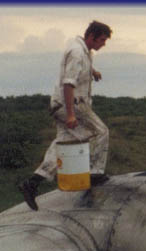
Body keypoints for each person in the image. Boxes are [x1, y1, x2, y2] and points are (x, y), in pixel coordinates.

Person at [19, 21, 112, 211]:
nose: (104, 44)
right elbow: (68, 84)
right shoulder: (78, 53)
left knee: (63, 142)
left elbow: (76, 69)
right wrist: (70, 115)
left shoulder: (82, 50)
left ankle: (33, 182)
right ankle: (94, 173)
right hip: (70, 104)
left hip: (59, 104)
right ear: (92, 36)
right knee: (100, 132)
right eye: (102, 40)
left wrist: (92, 71)